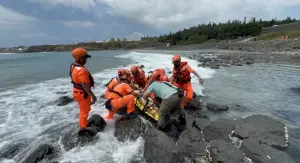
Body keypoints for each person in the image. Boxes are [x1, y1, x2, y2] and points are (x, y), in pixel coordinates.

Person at [69, 47, 97, 129]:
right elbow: (85, 84)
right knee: (84, 112)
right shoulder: (81, 70)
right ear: (80, 58)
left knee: (84, 110)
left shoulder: (73, 66)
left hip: (77, 92)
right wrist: (92, 96)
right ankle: (83, 128)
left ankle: (84, 123)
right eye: (85, 58)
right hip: (82, 94)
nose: (86, 60)